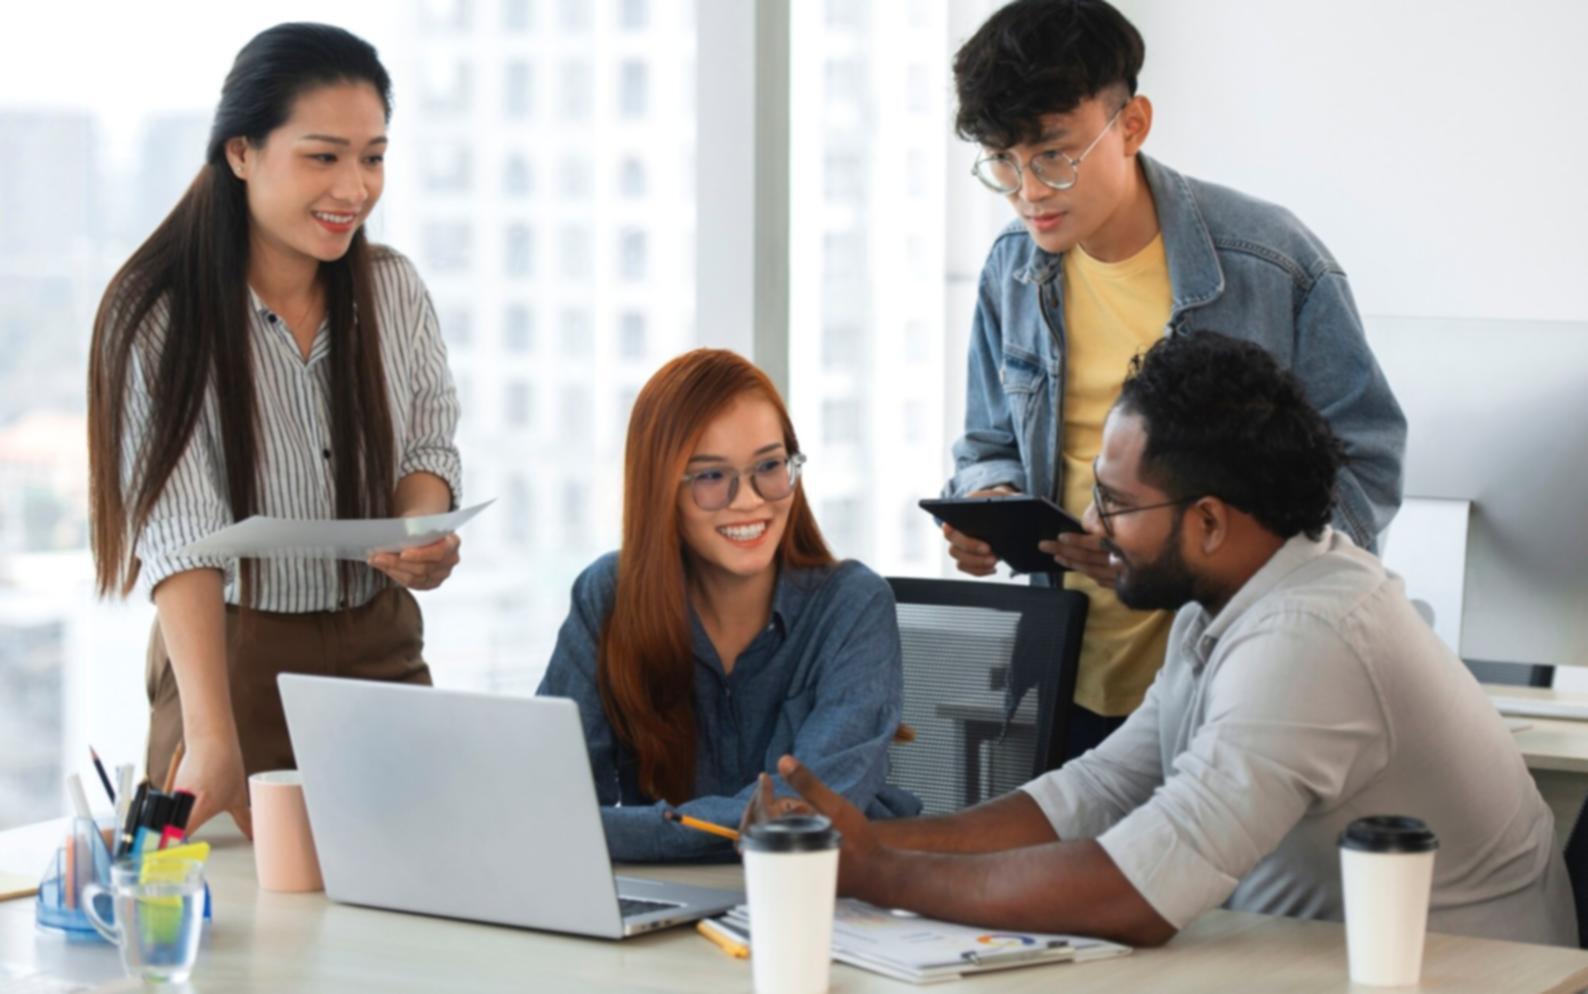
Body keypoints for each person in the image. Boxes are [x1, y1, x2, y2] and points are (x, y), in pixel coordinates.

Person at [778, 331, 1574, 948]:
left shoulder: (1310, 637)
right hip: (1307, 963)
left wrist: (886, 875)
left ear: (1209, 521)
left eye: (1117, 504)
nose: (1093, 526)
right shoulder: (1221, 604)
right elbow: (1095, 792)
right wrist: (865, 844)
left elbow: (1138, 892)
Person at [940, 0, 1407, 758]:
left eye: (1053, 154)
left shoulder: (1273, 264)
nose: (1028, 191)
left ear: (1131, 124)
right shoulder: (1012, 270)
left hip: (1237, 674)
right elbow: (988, 440)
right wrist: (988, 502)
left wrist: (1179, 549)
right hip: (1068, 672)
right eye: (1003, 161)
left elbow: (1364, 467)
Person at [87, 23, 463, 837]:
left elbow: (429, 447)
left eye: (373, 156)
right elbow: (182, 534)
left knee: (412, 920)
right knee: (233, 939)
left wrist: (421, 527)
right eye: (323, 156)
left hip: (379, 646)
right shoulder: (154, 313)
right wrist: (212, 735)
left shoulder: (395, 291)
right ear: (242, 153)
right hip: (227, 660)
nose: (355, 188)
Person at [537, 349, 920, 862]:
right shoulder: (607, 595)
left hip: (828, 900)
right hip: (671, 901)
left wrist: (621, 832)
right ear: (660, 490)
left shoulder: (854, 606)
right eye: (712, 477)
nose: (749, 500)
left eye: (769, 466)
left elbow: (798, 818)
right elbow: (548, 800)